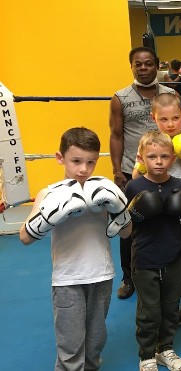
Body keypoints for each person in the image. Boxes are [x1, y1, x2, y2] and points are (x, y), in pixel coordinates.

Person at [20, 127, 132, 371]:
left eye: (91, 162)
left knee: (95, 342)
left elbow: (126, 233)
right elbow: (25, 238)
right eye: (76, 161)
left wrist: (120, 211)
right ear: (60, 158)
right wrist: (49, 217)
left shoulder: (105, 191)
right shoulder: (49, 194)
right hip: (67, 279)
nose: (83, 169)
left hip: (102, 275)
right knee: (70, 345)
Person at [130, 93, 181, 328]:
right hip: (163, 213)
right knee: (180, 261)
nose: (170, 124)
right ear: (153, 117)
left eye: (175, 118)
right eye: (163, 119)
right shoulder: (151, 144)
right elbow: (136, 177)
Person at [110, 46, 175, 300]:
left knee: (170, 220)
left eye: (148, 63)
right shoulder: (120, 97)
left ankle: (172, 272)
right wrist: (117, 171)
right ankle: (129, 276)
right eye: (139, 64)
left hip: (167, 170)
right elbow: (116, 134)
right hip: (133, 170)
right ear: (132, 66)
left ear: (157, 65)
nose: (144, 68)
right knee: (130, 224)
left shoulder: (170, 93)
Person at [125, 130, 181, 371]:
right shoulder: (134, 186)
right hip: (145, 257)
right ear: (141, 158)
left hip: (173, 256)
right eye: (152, 156)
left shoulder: (179, 184)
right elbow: (125, 225)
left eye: (164, 156)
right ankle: (146, 353)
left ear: (173, 158)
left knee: (171, 306)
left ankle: (165, 348)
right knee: (149, 310)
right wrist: (135, 213)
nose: (159, 162)